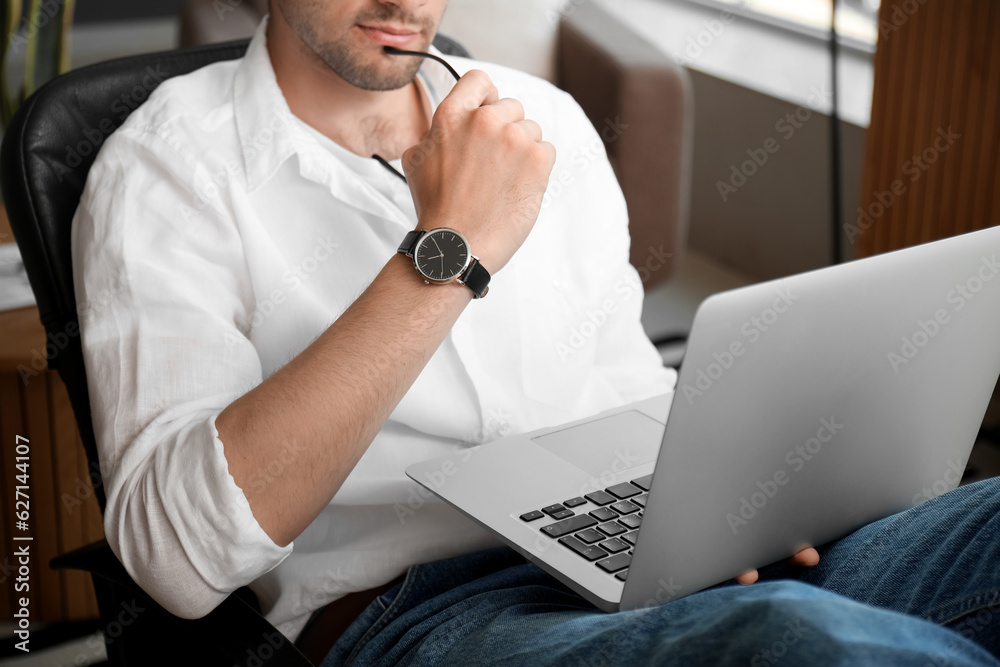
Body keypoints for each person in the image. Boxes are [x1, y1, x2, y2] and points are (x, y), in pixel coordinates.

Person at [71, 0, 1000, 664]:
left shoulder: (543, 120)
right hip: (421, 610)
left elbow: (627, 386)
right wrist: (449, 248)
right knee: (810, 642)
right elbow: (174, 562)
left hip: (653, 545)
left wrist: (737, 504)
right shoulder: (168, 173)